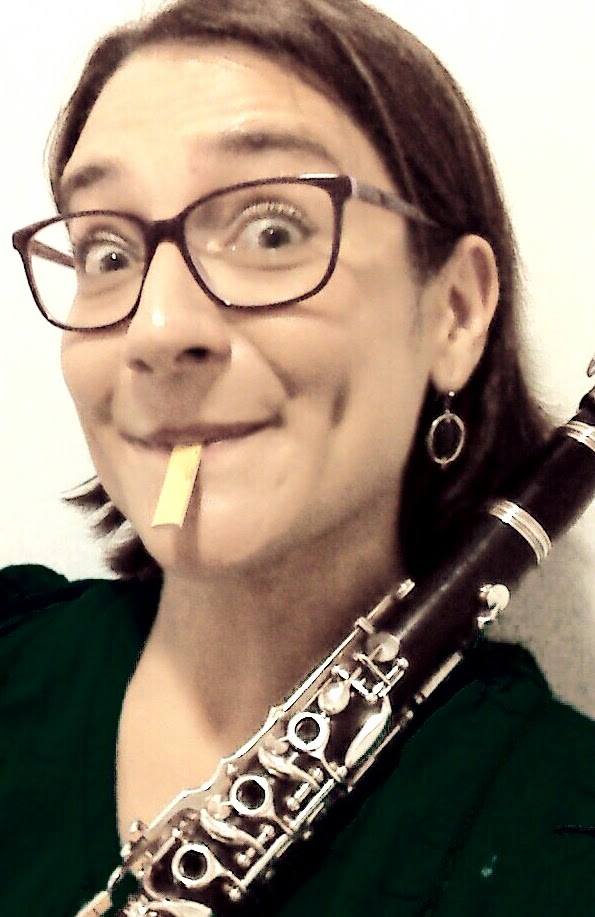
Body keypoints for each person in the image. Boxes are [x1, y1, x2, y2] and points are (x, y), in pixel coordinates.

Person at [3, 1, 594, 915]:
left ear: (453, 312)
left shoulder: (557, 835)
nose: (156, 331)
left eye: (271, 230)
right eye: (106, 251)